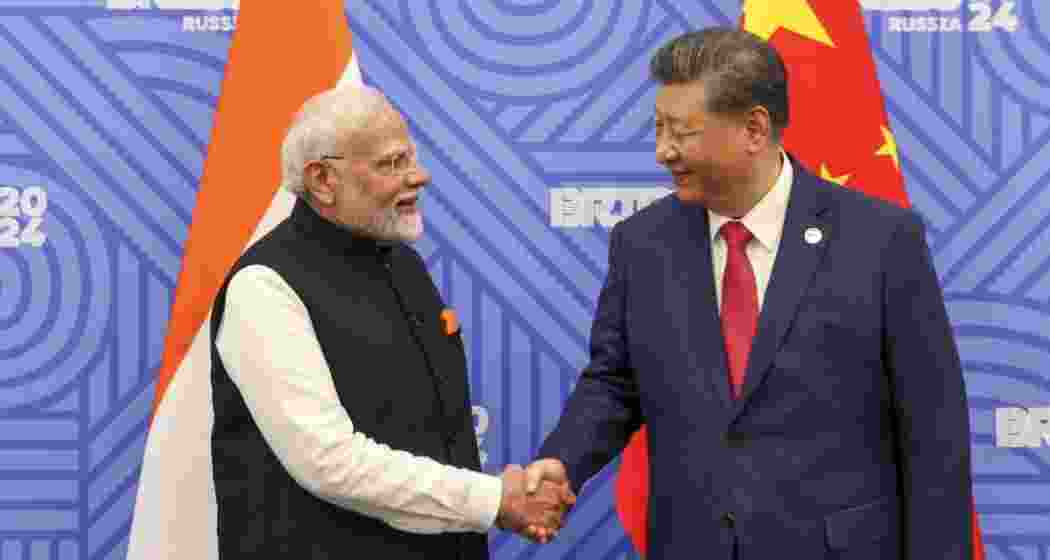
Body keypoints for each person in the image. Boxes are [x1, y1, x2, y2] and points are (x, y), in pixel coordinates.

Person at [524, 28, 974, 559]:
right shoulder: (642, 243)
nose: (662, 151)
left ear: (754, 129)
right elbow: (615, 382)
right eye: (658, 128)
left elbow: (933, 433)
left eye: (681, 132)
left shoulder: (881, 240)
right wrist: (564, 459)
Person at [209, 85, 572, 558]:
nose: (419, 177)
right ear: (322, 180)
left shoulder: (403, 264)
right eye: (391, 164)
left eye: (411, 158)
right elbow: (330, 462)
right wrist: (494, 499)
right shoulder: (264, 286)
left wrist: (499, 500)